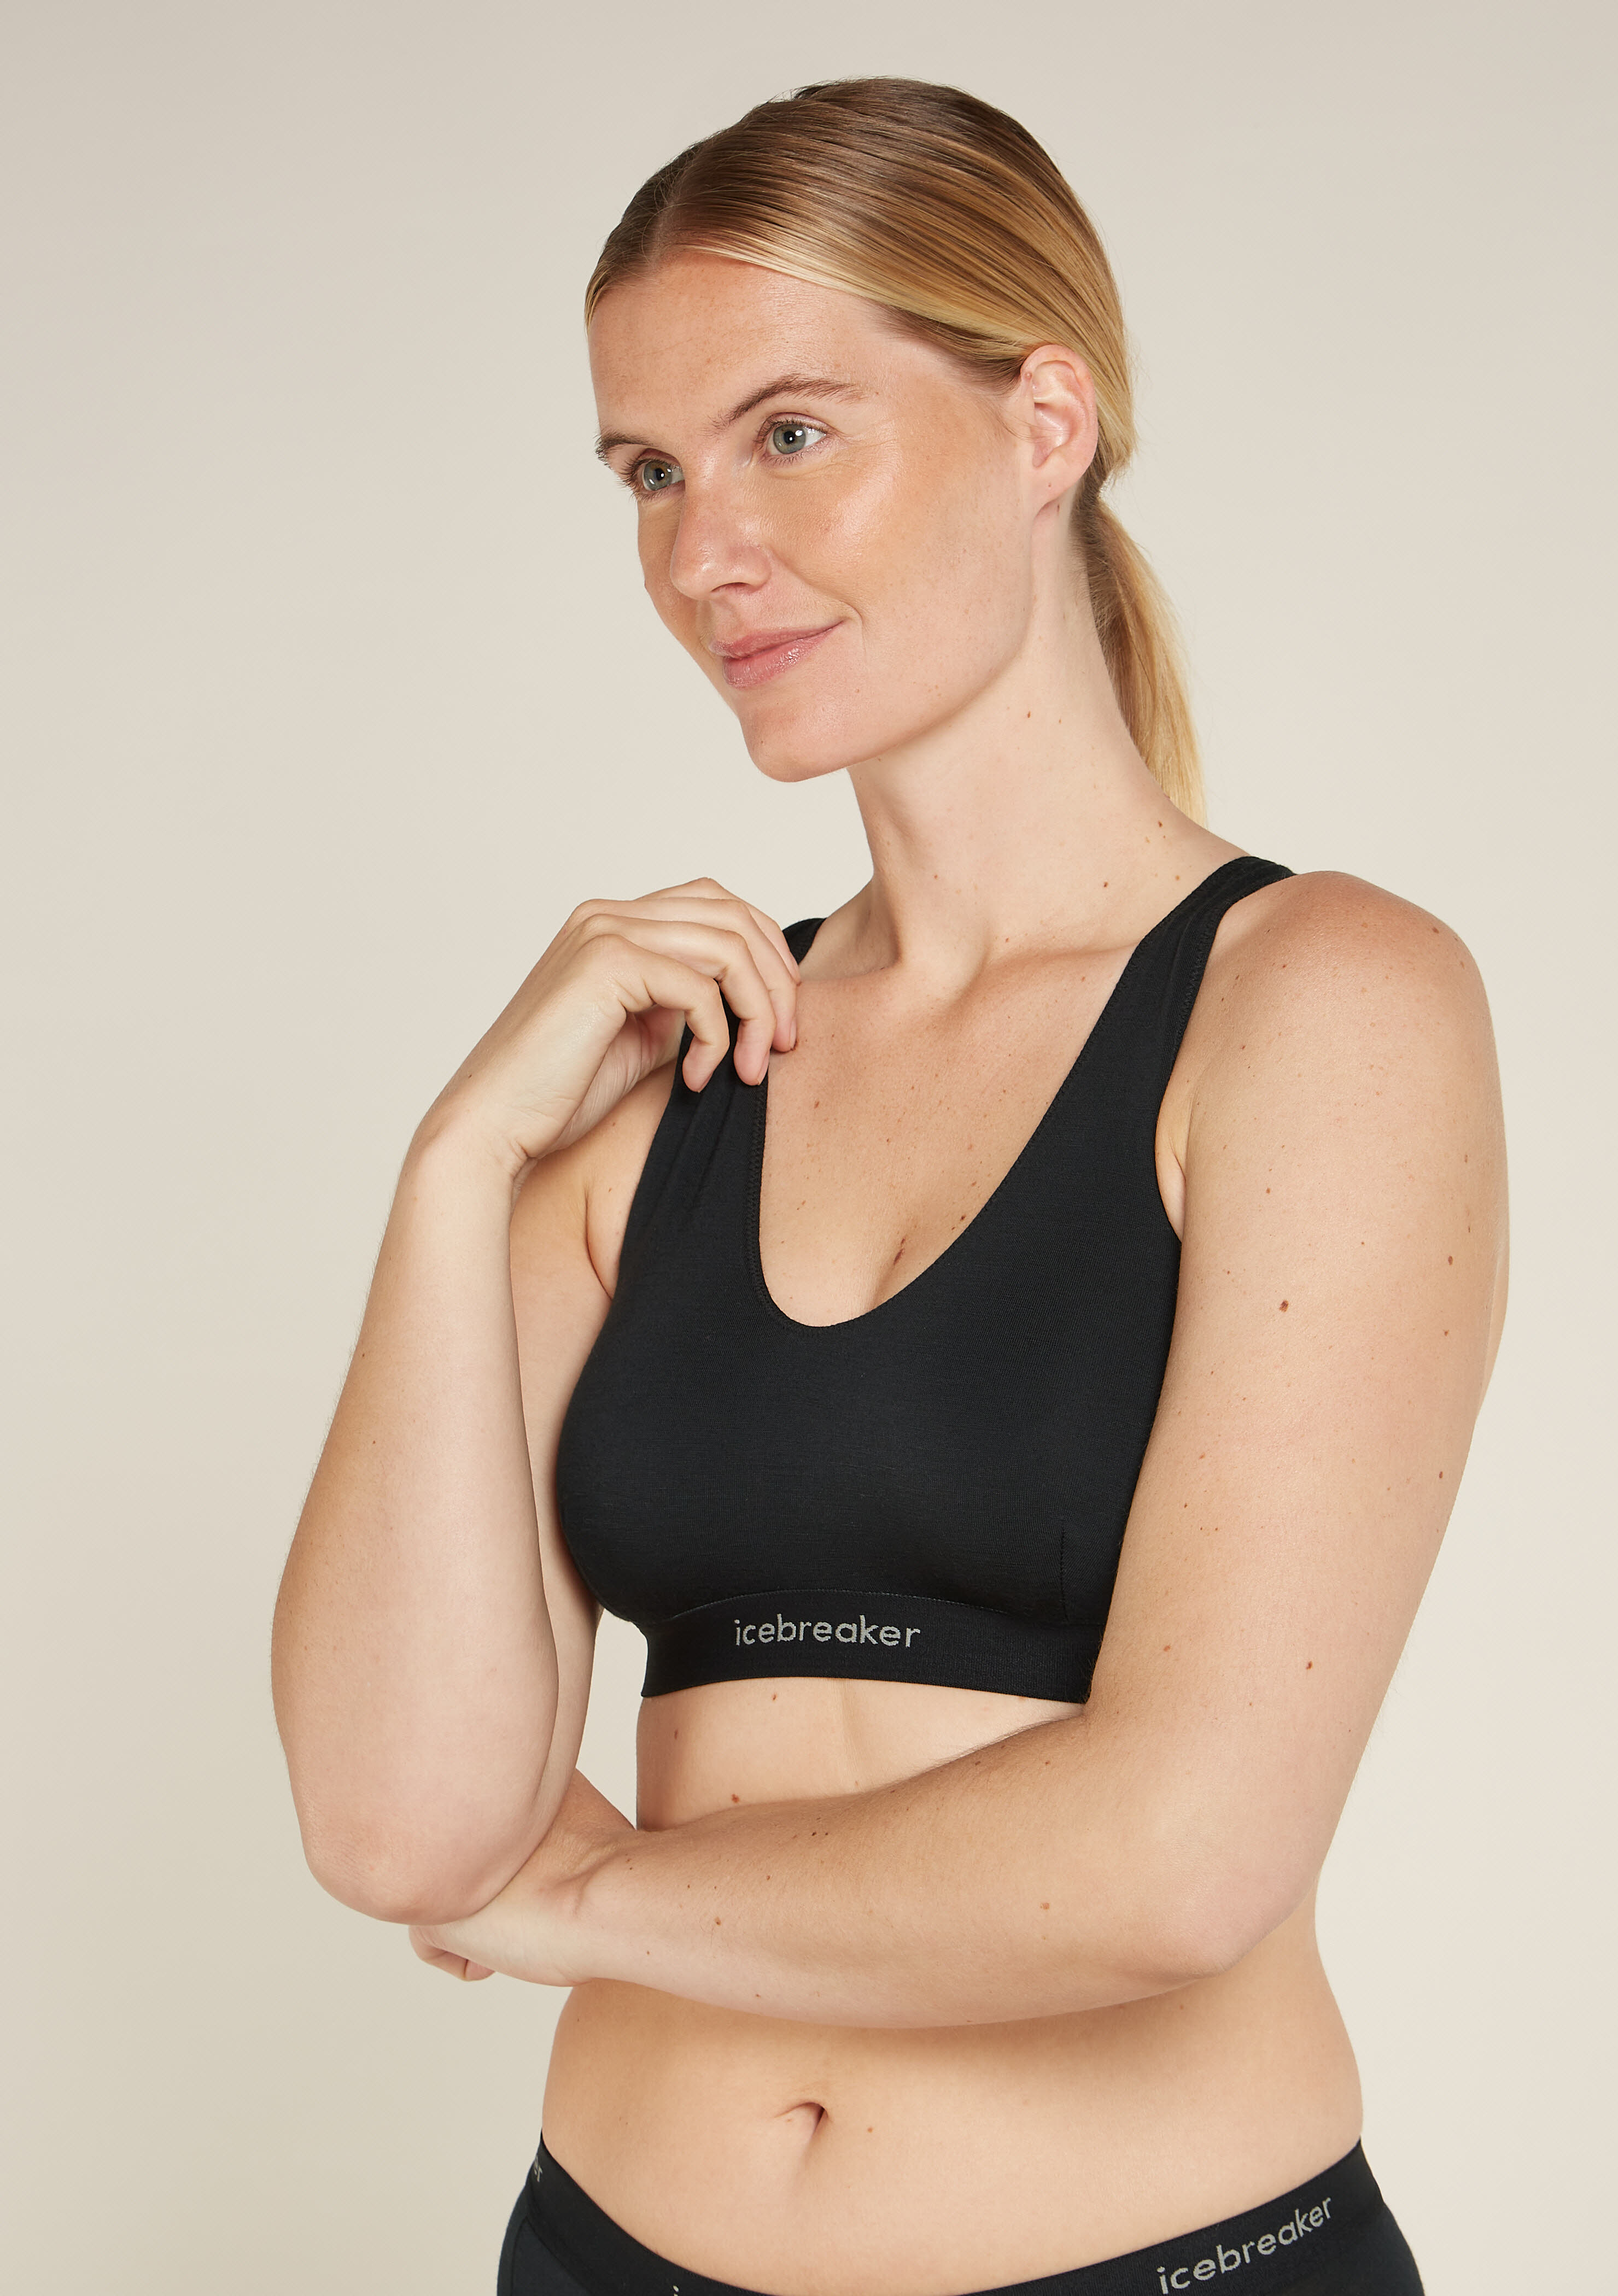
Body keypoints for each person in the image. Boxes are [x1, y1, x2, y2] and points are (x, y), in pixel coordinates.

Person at [272, 78, 1508, 2296]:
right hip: (605, 2254)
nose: (699, 555)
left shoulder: (1319, 1005)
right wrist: (457, 1168)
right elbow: (393, 1817)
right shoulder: (661, 1070)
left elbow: (1180, 1853)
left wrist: (583, 1901)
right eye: (649, 473)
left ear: (1046, 422)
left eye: (786, 435)